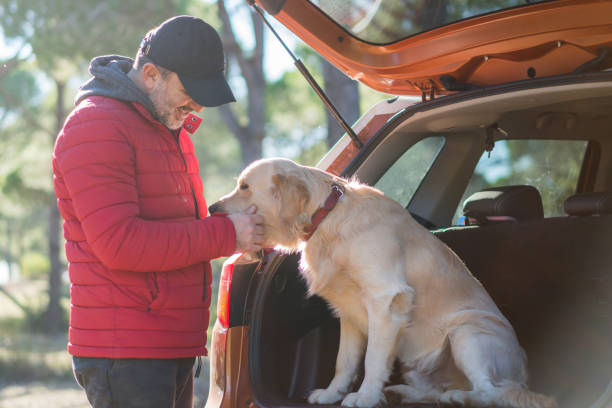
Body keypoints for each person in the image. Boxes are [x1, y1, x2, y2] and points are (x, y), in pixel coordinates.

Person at [52, 15, 263, 408]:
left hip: (168, 345)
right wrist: (228, 233)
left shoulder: (165, 126)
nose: (198, 104)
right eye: (190, 90)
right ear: (151, 74)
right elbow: (121, 243)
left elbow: (178, 229)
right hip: (127, 352)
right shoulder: (96, 125)